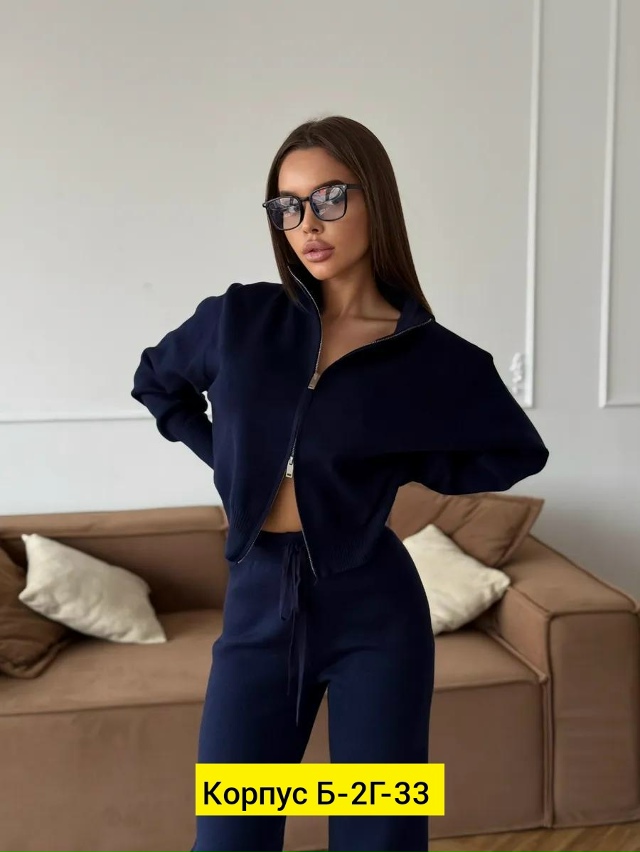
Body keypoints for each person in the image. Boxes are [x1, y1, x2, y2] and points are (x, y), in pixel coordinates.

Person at [131, 115, 549, 852]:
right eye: (287, 206)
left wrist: (386, 463)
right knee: (229, 836)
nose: (307, 224)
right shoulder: (241, 319)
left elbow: (515, 451)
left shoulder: (427, 354)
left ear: (374, 198)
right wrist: (235, 466)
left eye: (329, 197)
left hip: (376, 614)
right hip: (257, 605)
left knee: (378, 836)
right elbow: (157, 384)